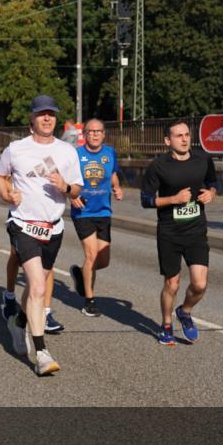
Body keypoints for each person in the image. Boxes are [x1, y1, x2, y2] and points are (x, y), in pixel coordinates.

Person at [0, 95, 83, 376]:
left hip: (53, 227)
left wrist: (66, 187)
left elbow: (78, 189)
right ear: (31, 119)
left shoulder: (67, 151)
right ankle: (42, 353)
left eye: (51, 114)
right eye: (42, 114)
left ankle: (18, 322)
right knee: (39, 287)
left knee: (34, 287)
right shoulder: (16, 149)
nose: (47, 118)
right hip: (22, 224)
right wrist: (7, 193)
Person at [140, 120, 217, 346]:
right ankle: (166, 324)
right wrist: (173, 199)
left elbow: (212, 182)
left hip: (196, 230)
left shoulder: (203, 159)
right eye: (178, 136)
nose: (184, 139)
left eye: (186, 135)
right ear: (167, 141)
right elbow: (146, 200)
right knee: (172, 284)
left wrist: (211, 194)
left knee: (200, 284)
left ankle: (184, 311)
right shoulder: (158, 166)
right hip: (169, 232)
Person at [69, 119, 123, 317]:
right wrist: (71, 196)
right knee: (91, 256)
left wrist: (117, 187)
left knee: (103, 261)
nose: (95, 134)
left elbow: (113, 174)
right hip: (83, 212)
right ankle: (89, 301)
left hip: (103, 211)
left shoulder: (109, 153)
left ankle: (80, 274)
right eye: (91, 131)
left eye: (98, 131)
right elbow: (66, 180)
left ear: (104, 134)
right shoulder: (76, 154)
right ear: (85, 134)